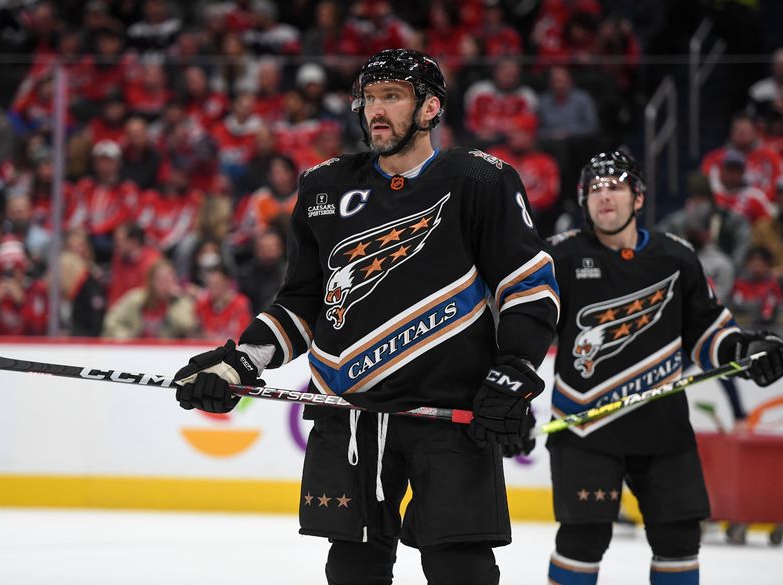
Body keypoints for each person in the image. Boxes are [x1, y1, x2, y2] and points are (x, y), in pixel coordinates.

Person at [173, 48, 560, 585]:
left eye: (392, 97)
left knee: (461, 568)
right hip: (349, 415)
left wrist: (515, 368)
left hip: (448, 416)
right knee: (353, 569)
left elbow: (528, 285)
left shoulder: (480, 180)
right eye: (370, 98)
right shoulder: (324, 187)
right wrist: (241, 363)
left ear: (429, 109)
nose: (375, 109)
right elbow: (302, 304)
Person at [539, 151, 783, 585]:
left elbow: (707, 333)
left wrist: (745, 350)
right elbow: (527, 335)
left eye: (615, 186)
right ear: (582, 200)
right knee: (583, 537)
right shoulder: (559, 257)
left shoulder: (676, 256)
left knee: (679, 539)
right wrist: (511, 394)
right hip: (585, 429)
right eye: (594, 189)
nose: (605, 196)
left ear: (638, 197)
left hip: (662, 428)